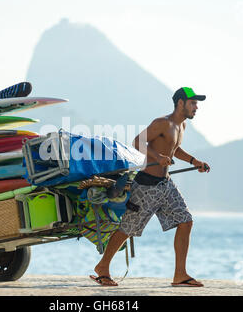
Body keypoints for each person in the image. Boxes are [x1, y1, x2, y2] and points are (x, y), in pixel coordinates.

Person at [90, 87, 211, 287]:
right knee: (127, 228)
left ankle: (180, 274)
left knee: (186, 221)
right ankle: (102, 267)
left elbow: (174, 148)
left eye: (197, 104)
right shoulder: (163, 123)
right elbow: (138, 141)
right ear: (180, 103)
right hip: (146, 185)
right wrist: (157, 157)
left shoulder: (182, 126)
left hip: (166, 184)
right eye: (193, 103)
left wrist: (194, 161)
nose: (196, 107)